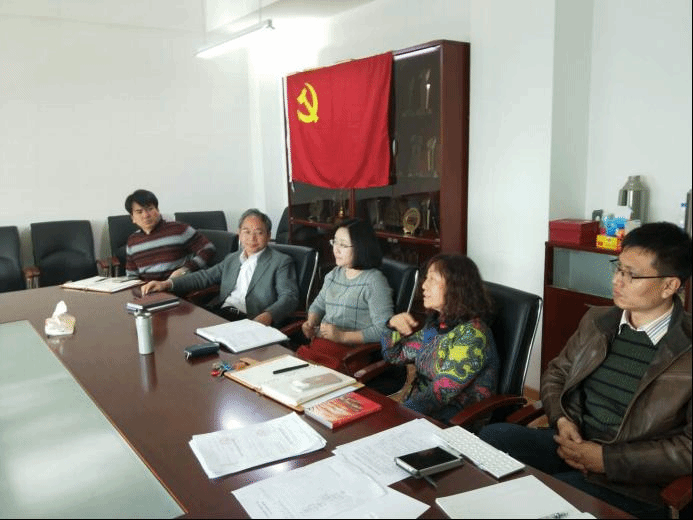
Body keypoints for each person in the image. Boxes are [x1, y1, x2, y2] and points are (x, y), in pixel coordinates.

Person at [479, 222, 692, 519]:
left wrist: (605, 460)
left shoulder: (686, 348)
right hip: (572, 442)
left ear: (669, 286)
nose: (617, 281)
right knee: (491, 438)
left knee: (543, 501)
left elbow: (687, 448)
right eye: (618, 269)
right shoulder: (598, 320)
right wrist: (562, 420)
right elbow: (556, 374)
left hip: (633, 480)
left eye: (631, 275)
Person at [381, 253, 499, 425]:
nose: (424, 285)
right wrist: (392, 326)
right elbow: (394, 356)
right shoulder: (438, 325)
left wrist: (397, 415)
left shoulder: (472, 335)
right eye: (426, 278)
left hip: (453, 423)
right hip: (420, 413)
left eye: (432, 279)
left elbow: (439, 393)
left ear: (455, 287)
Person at [141, 208, 299, 327]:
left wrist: (268, 315)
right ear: (239, 234)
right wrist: (167, 284)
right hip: (223, 314)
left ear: (269, 235)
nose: (252, 238)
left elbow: (289, 297)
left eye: (259, 232)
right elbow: (204, 276)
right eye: (246, 232)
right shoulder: (233, 258)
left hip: (251, 320)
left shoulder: (281, 261)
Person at [301, 218, 393, 345]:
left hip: (350, 352)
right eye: (335, 242)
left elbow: (385, 330)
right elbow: (318, 306)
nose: (336, 250)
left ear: (361, 247)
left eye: (343, 245)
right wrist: (311, 323)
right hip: (321, 344)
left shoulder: (374, 281)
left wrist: (342, 336)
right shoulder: (334, 274)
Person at [124, 189, 215, 281]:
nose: (146, 215)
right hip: (150, 289)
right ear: (132, 218)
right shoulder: (132, 241)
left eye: (150, 209)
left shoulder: (179, 229)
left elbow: (208, 248)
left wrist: (185, 270)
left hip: (180, 285)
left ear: (158, 210)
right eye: (139, 212)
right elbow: (132, 276)